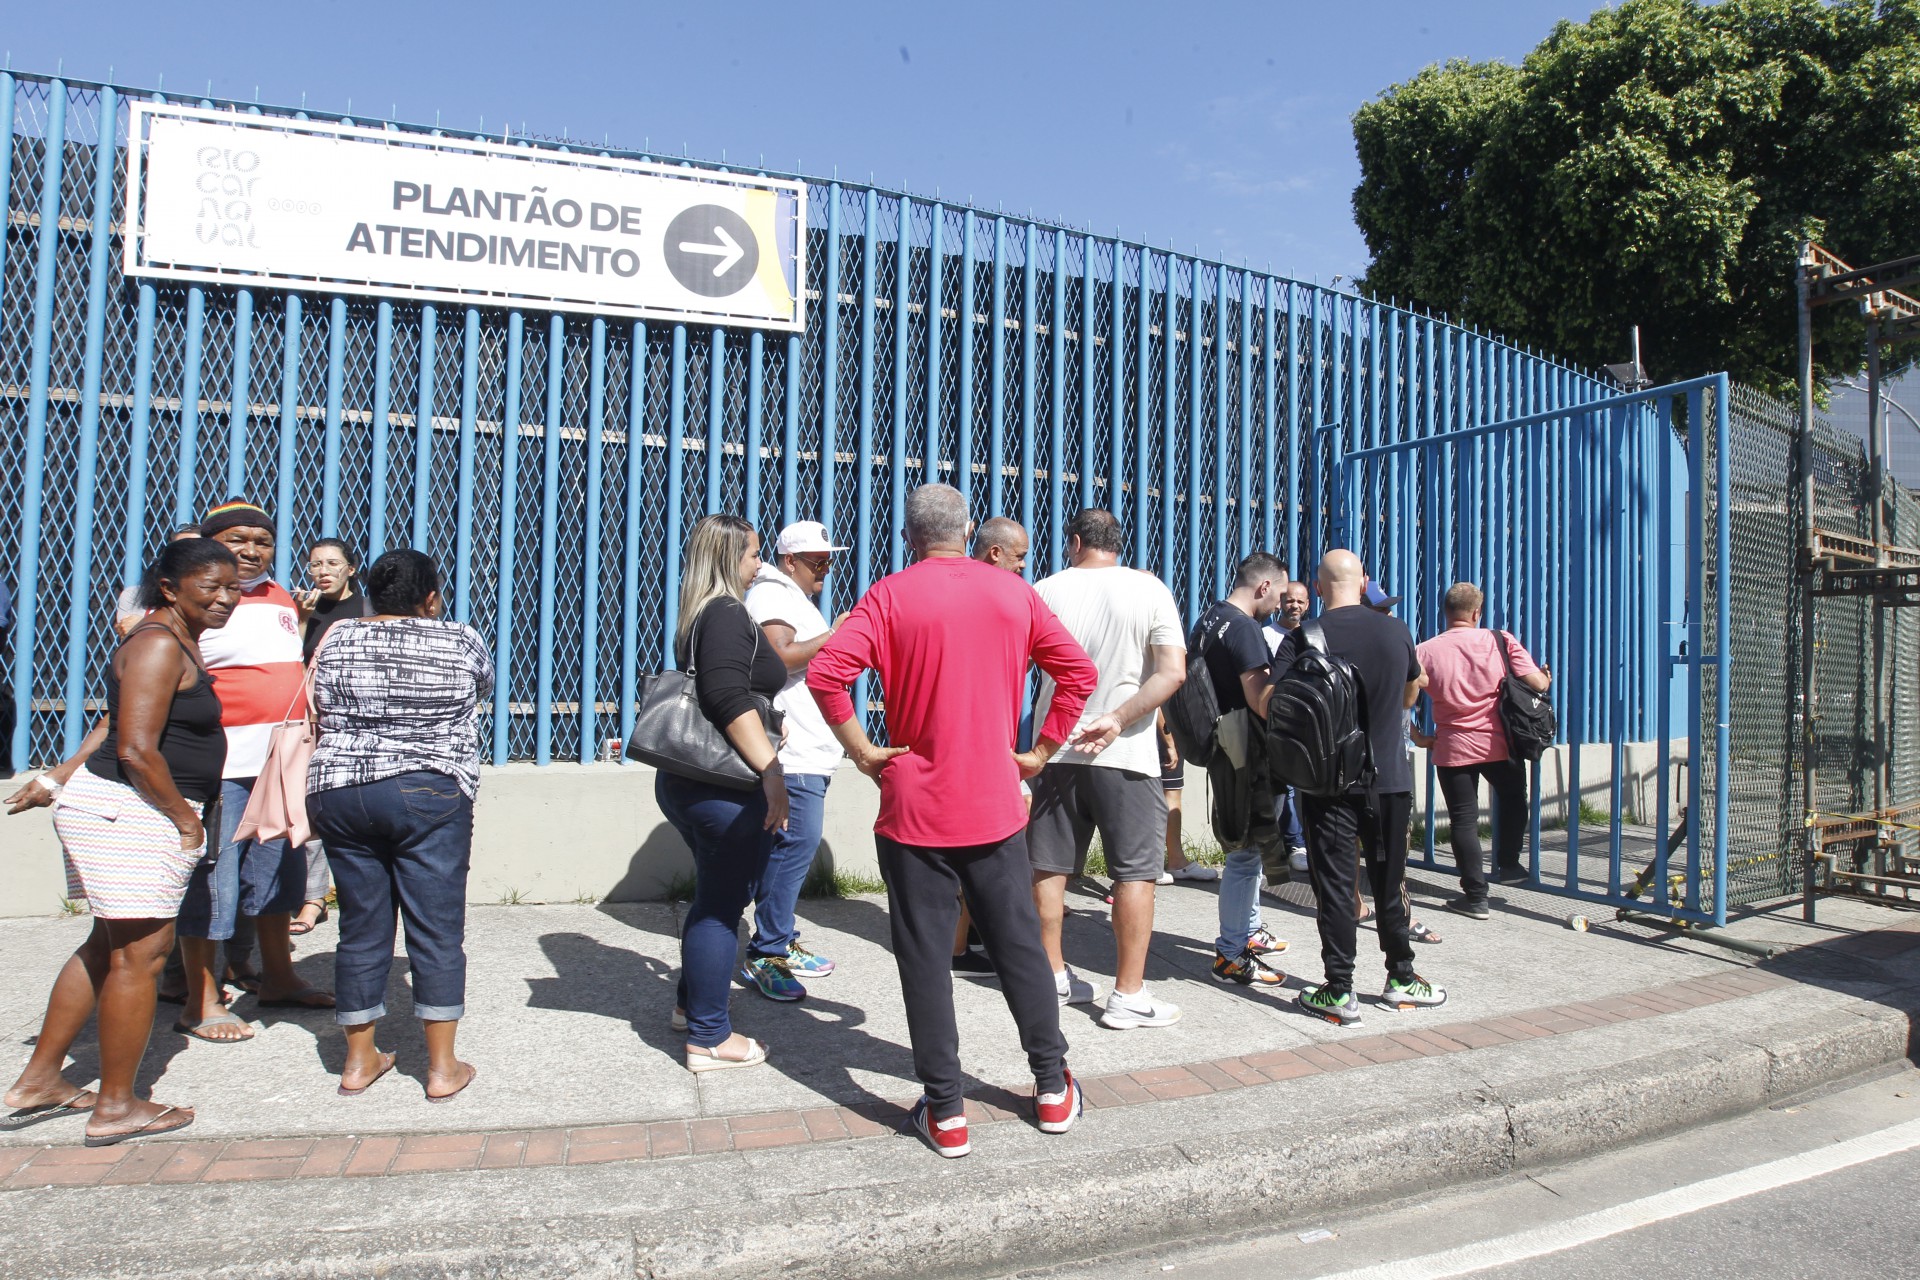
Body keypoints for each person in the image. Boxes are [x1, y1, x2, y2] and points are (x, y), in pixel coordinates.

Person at [809, 484, 1097, 1158]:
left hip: (914, 808)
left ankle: (946, 1111)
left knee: (924, 959)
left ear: (909, 537)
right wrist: (1040, 752)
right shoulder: (1014, 594)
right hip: (993, 802)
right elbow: (1078, 674)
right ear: (969, 532)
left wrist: (863, 752)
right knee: (1019, 947)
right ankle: (1051, 1087)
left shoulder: (888, 595)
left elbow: (827, 674)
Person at [2, 538, 238, 1143]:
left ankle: (41, 1081)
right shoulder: (159, 643)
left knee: (107, 945)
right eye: (211, 586)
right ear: (171, 588)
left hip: (125, 809)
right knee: (142, 957)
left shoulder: (174, 637)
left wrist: (57, 778)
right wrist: (185, 821)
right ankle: (115, 1108)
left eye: (233, 587)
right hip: (132, 812)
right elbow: (133, 748)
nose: (225, 598)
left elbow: (115, 722)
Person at [307, 549, 491, 1102]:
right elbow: (479, 689)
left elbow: (317, 697)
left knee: (361, 925)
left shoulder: (338, 636)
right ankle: (442, 1068)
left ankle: (359, 1061)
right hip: (428, 787)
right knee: (435, 928)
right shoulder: (459, 639)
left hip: (341, 789)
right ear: (430, 598)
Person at [172, 500, 333, 1043]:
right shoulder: (197, 598)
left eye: (261, 541)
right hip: (221, 764)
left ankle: (278, 977)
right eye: (236, 539)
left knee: (279, 871)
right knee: (212, 876)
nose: (250, 550)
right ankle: (200, 998)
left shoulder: (281, 596)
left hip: (279, 764)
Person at [1028, 509, 1187, 1029]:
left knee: (1048, 867)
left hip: (1056, 748)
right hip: (1127, 754)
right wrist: (1118, 719)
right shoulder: (1149, 589)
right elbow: (1172, 673)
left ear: (1074, 542)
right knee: (1135, 873)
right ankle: (1128, 995)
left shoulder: (1045, 590)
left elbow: (1014, 664)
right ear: (1118, 543)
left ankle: (1050, 977)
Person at [1275, 550, 1444, 1027]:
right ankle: (1401, 978)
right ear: (1365, 582)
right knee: (1391, 882)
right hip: (1390, 779)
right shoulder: (1396, 630)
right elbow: (1411, 690)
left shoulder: (1304, 636)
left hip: (1329, 784)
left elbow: (1276, 703)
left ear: (1318, 588)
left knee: (1335, 887)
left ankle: (1338, 989)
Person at [656, 515, 791, 1072]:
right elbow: (726, 697)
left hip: (692, 783)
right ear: (728, 557)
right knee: (720, 907)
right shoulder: (728, 613)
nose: (760, 565)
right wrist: (771, 771)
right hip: (723, 787)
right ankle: (709, 1037)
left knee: (719, 894)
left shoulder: (699, 614)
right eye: (753, 554)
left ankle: (692, 1006)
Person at [738, 520, 850, 1001]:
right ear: (790, 561)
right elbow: (779, 659)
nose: (825, 569)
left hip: (809, 747)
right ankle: (766, 953)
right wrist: (835, 635)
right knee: (795, 845)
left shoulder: (792, 597)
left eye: (829, 560)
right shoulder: (772, 595)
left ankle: (779, 936)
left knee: (787, 849)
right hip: (794, 750)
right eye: (817, 561)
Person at [1413, 581, 1551, 919]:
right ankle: (1509, 863)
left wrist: (1417, 736)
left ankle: (1476, 898)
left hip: (1453, 746)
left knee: (1463, 819)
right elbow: (1537, 683)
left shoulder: (1424, 651)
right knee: (1514, 798)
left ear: (1446, 612)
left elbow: (1402, 698)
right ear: (1477, 613)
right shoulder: (1500, 640)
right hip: (1499, 743)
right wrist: (1545, 677)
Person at [1193, 553, 1291, 987]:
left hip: (1224, 745)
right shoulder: (1246, 628)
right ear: (1264, 587)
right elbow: (1260, 701)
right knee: (1246, 853)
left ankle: (1247, 930)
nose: (1281, 604)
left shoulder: (1209, 619)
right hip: (1246, 750)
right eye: (1280, 594)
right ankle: (1231, 954)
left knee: (1246, 848)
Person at [289, 538, 372, 938]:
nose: (323, 571)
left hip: (355, 725)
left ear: (351, 569)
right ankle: (313, 897)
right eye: (315, 564)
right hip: (310, 721)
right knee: (309, 807)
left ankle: (358, 893)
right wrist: (302, 620)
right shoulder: (303, 608)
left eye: (332, 563)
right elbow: (290, 663)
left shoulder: (368, 611)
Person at [1263, 579, 1313, 874]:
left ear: (1308, 605)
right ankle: (1294, 844)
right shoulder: (1266, 635)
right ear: (1280, 603)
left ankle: (1298, 842)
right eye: (1289, 600)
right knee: (1286, 788)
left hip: (1307, 724)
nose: (1294, 605)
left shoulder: (1313, 635)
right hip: (1278, 722)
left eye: (1300, 601)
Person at [1157, 711, 1217, 882]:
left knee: (1172, 791)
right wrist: (1169, 741)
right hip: (1156, 729)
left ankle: (1175, 861)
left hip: (1166, 728)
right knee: (1156, 795)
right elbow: (1154, 701)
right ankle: (1150, 865)